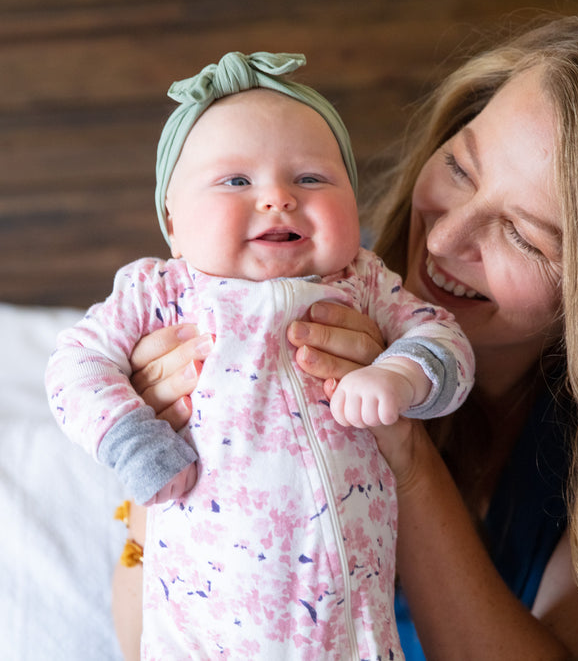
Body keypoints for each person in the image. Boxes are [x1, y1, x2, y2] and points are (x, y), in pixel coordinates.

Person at [120, 11, 578, 660]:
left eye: (524, 236)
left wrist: (408, 454)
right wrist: (168, 436)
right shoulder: (310, 293)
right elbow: (144, 638)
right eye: (459, 167)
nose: (445, 242)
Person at [46, 52, 474, 659]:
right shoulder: (161, 294)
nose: (277, 198)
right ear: (172, 217)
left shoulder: (366, 285)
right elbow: (75, 367)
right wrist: (134, 440)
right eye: (236, 181)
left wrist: (402, 374)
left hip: (349, 635)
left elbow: (446, 342)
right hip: (199, 632)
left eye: (312, 179)